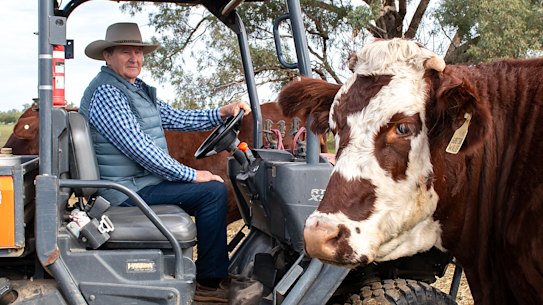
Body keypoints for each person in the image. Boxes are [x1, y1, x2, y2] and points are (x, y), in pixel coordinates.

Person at [79, 22, 251, 303]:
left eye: (138, 51)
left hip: (140, 183)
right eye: (126, 52)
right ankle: (209, 284)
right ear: (107, 56)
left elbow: (177, 118)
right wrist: (193, 175)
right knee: (212, 192)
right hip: (123, 191)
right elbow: (140, 149)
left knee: (210, 188)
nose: (135, 58)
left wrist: (220, 113)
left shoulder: (135, 89)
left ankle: (212, 272)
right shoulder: (108, 93)